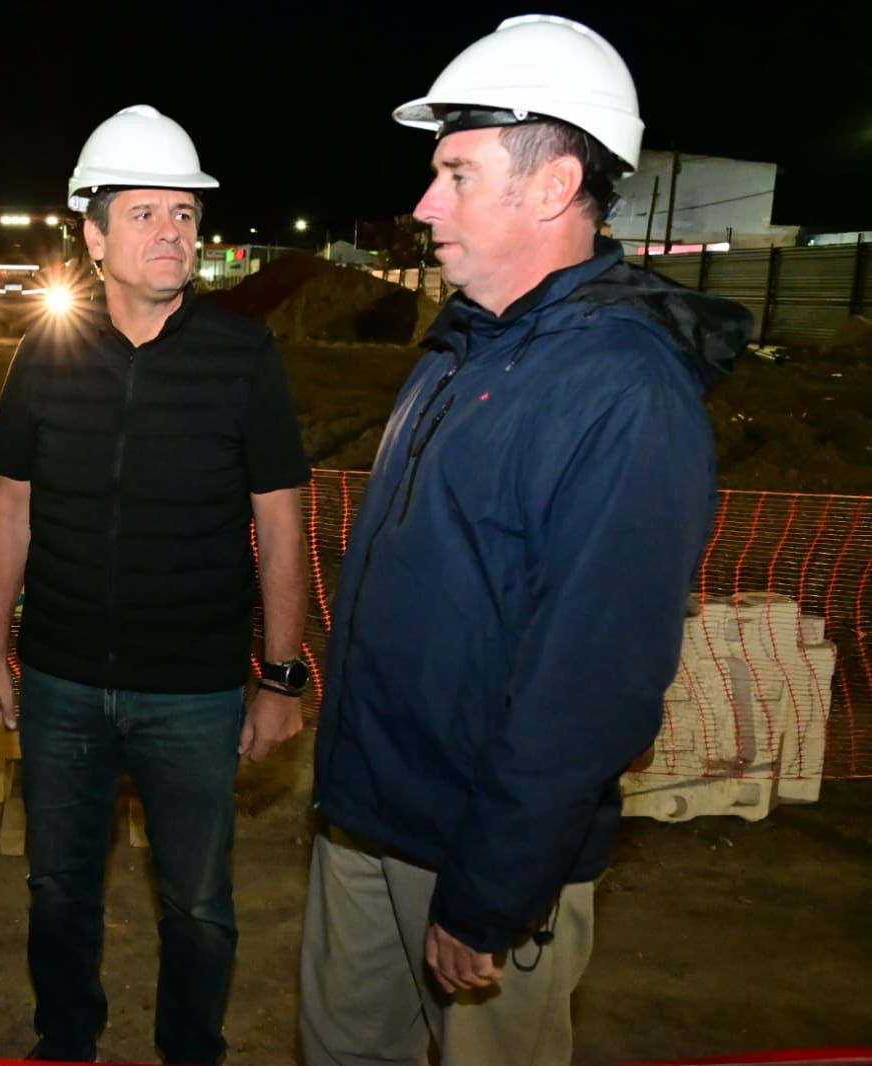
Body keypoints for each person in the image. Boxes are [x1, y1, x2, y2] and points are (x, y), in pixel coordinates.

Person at [300, 16, 753, 1066]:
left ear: (552, 187)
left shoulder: (622, 392)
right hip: (368, 816)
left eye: (455, 174)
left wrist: (492, 889)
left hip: (475, 853)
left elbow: (590, 682)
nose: (424, 205)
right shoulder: (460, 349)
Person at [0, 105, 312, 1064]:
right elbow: (10, 509)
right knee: (57, 887)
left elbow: (281, 526)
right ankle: (65, 1041)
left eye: (184, 214)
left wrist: (280, 677)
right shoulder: (45, 353)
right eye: (145, 213)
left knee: (197, 901)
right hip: (62, 683)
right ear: (92, 235)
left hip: (194, 692)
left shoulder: (243, 358)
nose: (172, 232)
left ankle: (190, 1050)